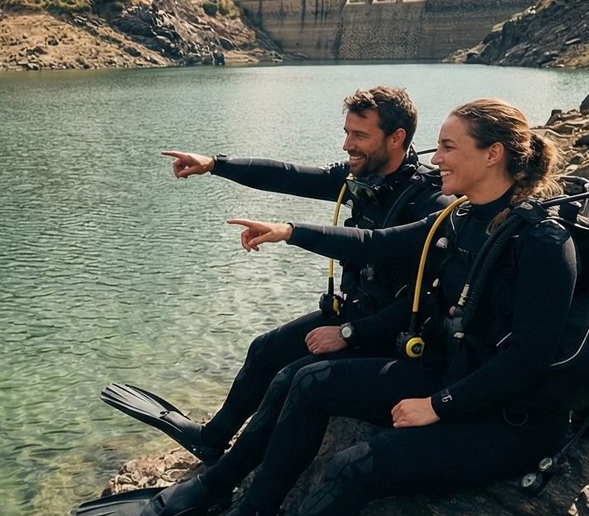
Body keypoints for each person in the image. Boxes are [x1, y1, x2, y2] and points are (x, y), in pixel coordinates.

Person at [140, 99, 589, 516]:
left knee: (354, 467)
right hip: (453, 375)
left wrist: (437, 406)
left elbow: (528, 359)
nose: (440, 158)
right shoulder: (461, 214)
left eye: (450, 147)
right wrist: (290, 231)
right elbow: (377, 243)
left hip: (512, 420)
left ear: (493, 154)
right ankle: (256, 512)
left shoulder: (544, 243)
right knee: (309, 381)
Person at [100, 86, 444, 463]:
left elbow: (380, 254)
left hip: (394, 332)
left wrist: (348, 332)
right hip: (358, 312)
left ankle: (235, 473)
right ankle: (212, 438)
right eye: (346, 132)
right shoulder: (363, 180)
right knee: (265, 349)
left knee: (288, 380)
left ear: (397, 138)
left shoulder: (429, 203)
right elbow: (290, 175)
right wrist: (215, 163)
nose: (347, 145)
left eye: (360, 135)